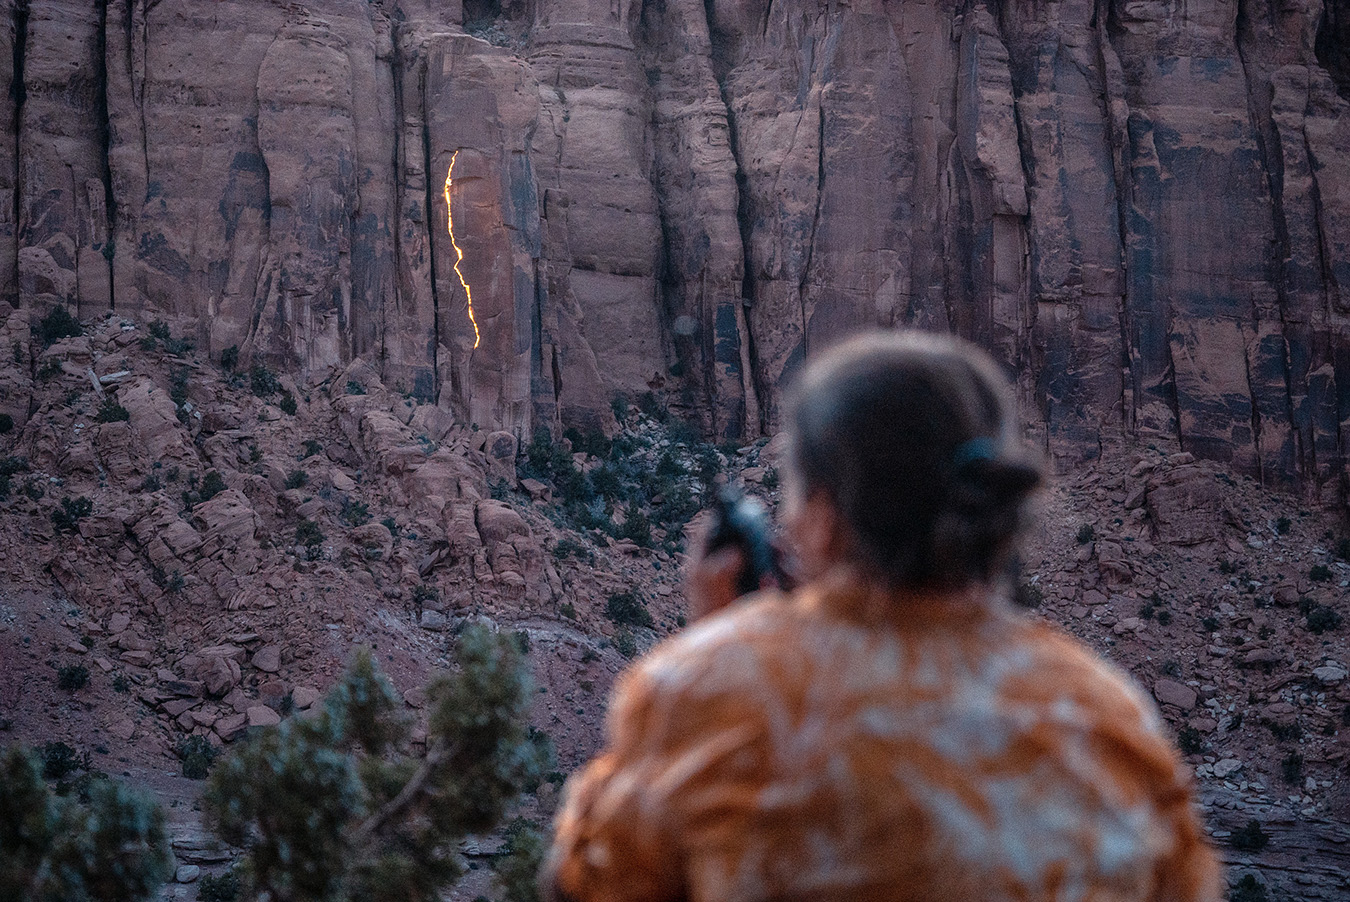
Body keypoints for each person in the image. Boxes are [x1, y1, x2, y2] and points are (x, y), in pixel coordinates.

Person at [543, 331, 1221, 902]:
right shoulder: (1106, 716)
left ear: (822, 511)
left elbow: (584, 883)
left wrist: (715, 650)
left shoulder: (708, 692)